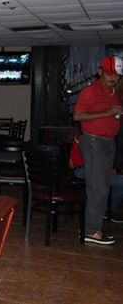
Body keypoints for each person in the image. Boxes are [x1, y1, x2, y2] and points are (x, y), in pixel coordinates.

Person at [73, 55, 122, 245]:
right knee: (97, 188)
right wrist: (106, 113)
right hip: (94, 142)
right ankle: (90, 231)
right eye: (110, 73)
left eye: (116, 75)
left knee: (103, 187)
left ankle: (95, 227)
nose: (113, 77)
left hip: (109, 143)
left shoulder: (114, 92)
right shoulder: (90, 91)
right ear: (100, 72)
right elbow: (77, 116)